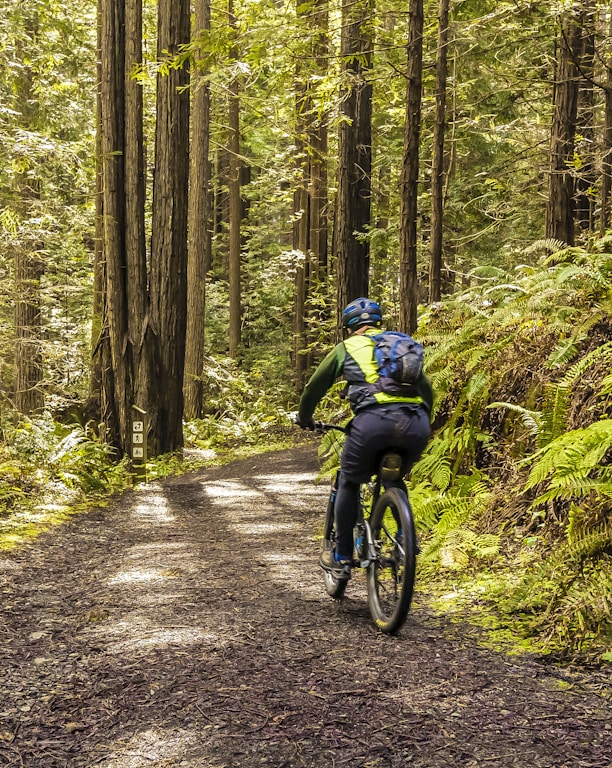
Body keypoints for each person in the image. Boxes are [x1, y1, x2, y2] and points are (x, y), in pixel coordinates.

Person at [297, 297, 433, 577]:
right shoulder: (401, 344)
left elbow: (313, 388)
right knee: (393, 479)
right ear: (378, 322)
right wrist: (424, 419)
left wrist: (305, 417)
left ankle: (342, 556)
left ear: (348, 328)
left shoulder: (347, 347)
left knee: (348, 479)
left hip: (373, 423)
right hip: (415, 423)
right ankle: (408, 543)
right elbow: (426, 389)